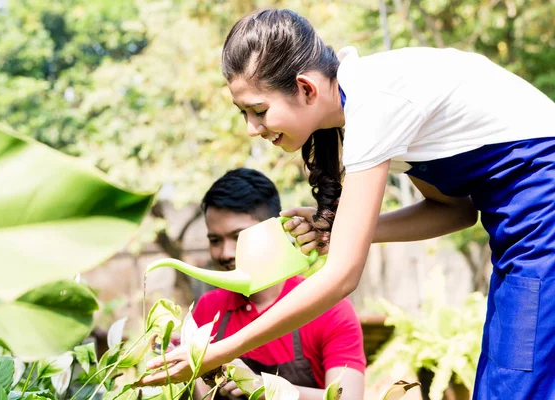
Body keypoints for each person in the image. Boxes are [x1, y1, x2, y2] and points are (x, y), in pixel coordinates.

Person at [143, 8, 555, 399]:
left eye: (258, 110)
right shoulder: (365, 106)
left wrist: (218, 351)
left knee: (513, 383)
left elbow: (341, 277)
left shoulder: (376, 102)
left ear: (305, 88)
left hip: (541, 226)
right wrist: (339, 232)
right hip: (519, 240)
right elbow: (455, 211)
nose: (252, 129)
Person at [192, 168, 365, 399]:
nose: (225, 253)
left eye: (238, 237)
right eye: (215, 240)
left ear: (273, 232)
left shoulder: (328, 307)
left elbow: (349, 397)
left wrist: (264, 388)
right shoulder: (208, 308)